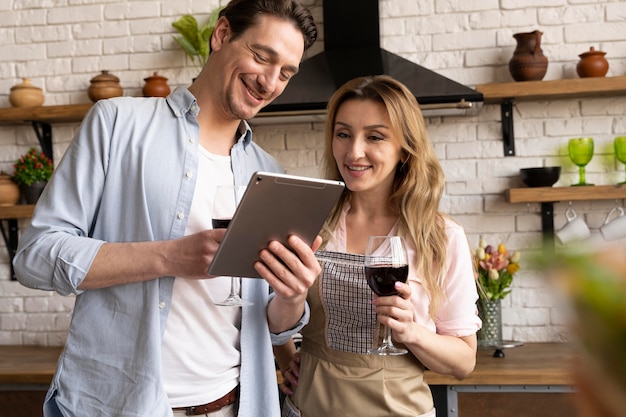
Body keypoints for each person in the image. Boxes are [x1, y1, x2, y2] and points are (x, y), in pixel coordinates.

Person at [13, 1, 318, 416]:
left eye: (285, 73)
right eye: (262, 56)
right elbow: (35, 255)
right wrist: (169, 256)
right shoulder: (117, 124)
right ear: (222, 34)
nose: (269, 82)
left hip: (235, 406)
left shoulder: (269, 173)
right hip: (121, 407)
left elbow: (270, 323)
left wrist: (293, 294)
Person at [274, 75, 482, 417]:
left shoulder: (440, 236)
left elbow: (464, 361)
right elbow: (271, 306)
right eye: (343, 134)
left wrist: (412, 332)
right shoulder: (306, 221)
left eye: (375, 137)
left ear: (405, 148)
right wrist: (287, 357)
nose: (354, 152)